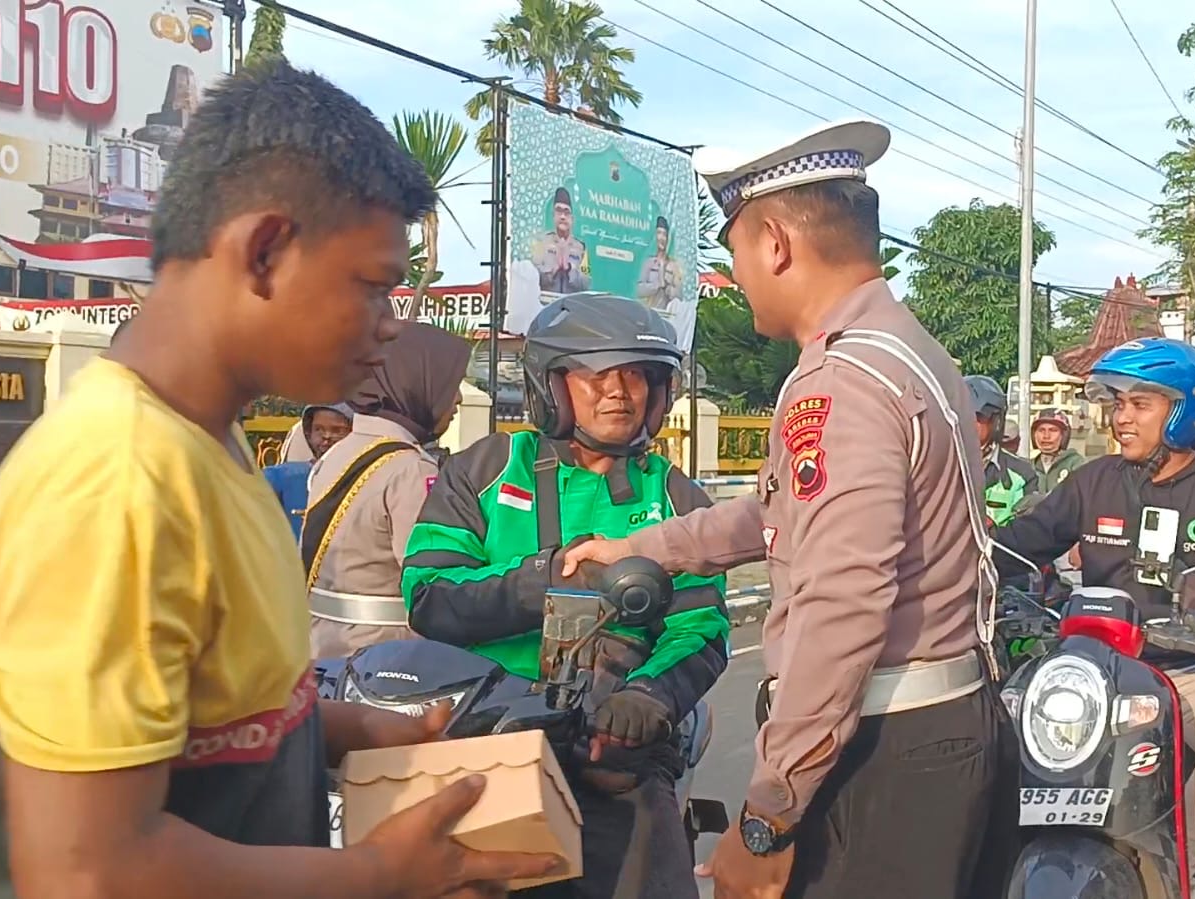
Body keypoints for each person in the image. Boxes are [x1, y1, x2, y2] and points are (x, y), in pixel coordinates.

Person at [0, 60, 557, 896]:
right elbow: (85, 871)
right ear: (264, 251)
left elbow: (204, 722)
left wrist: (356, 730)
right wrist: (377, 876)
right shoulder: (116, 482)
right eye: (372, 286)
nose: (392, 327)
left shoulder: (214, 446)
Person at [561, 119, 1016, 899]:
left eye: (733, 250)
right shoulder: (910, 351)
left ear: (773, 243)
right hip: (948, 724)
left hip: (884, 752)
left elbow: (842, 602)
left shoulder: (837, 382)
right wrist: (644, 544)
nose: (735, 273)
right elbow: (781, 515)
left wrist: (769, 812)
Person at [402, 293, 728, 899]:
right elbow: (429, 594)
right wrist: (545, 579)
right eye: (594, 374)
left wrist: (647, 697)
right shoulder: (487, 469)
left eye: (637, 375)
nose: (618, 392)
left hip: (616, 746)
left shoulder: (677, 499)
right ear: (550, 385)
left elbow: (700, 627)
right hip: (489, 731)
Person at [994, 338, 1195, 874]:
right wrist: (967, 557)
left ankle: (1170, 866)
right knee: (994, 732)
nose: (1121, 419)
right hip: (1094, 667)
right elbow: (1023, 542)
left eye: (1140, 405)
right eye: (1118, 404)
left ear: (1186, 410)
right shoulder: (1094, 480)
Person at [305, 322, 471, 660]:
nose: (458, 399)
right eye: (450, 384)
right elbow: (426, 581)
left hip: (321, 644)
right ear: (417, 382)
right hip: (382, 655)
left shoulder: (340, 450)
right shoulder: (410, 468)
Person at [262, 402, 354, 539]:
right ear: (308, 433)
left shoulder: (365, 479)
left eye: (337, 430)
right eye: (319, 429)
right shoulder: (282, 478)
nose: (327, 436)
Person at [966, 374, 1040, 526]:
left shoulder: (1022, 475)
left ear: (996, 422)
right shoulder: (938, 465)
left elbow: (1029, 533)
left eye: (979, 416)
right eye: (964, 415)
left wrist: (994, 531)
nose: (970, 422)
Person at [533, 186, 591, 293]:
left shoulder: (581, 248)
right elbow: (534, 277)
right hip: (547, 305)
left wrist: (568, 268)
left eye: (566, 212)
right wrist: (554, 269)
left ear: (572, 219)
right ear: (553, 216)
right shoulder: (541, 242)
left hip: (571, 307)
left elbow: (586, 282)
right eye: (559, 211)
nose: (563, 216)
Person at [1029, 408, 1085, 492]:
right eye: (1041, 430)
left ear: (1064, 435)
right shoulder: (1028, 467)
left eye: (1053, 430)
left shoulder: (1077, 465)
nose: (1046, 436)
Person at [636, 215, 684, 312]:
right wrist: (657, 285)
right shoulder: (648, 263)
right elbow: (639, 290)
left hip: (667, 315)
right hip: (648, 312)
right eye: (659, 233)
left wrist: (667, 288)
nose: (661, 238)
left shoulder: (674, 266)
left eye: (664, 234)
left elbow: (679, 295)